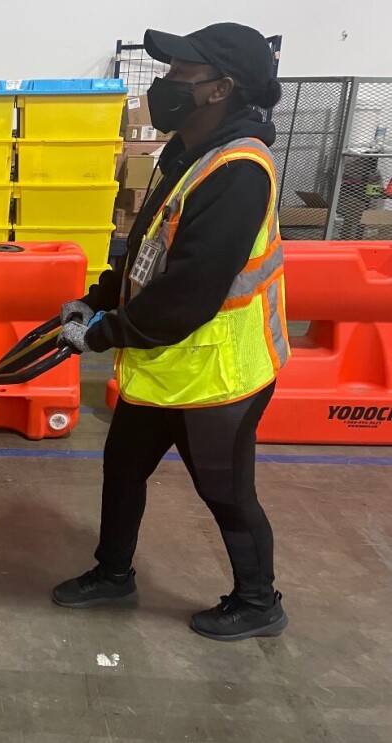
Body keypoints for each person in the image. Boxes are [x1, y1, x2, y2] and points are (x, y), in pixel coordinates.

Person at [52, 22, 290, 641]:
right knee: (122, 468)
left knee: (225, 491)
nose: (165, 87)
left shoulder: (240, 171)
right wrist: (96, 298)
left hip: (219, 374)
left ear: (221, 89)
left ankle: (260, 602)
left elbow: (189, 291)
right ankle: (113, 575)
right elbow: (149, 253)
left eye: (181, 76)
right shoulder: (186, 153)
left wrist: (102, 336)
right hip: (165, 363)